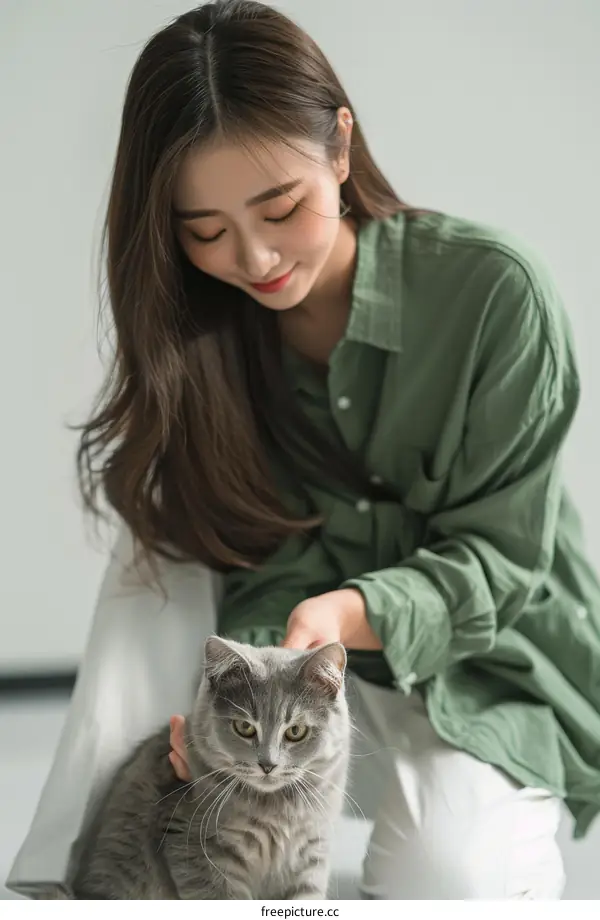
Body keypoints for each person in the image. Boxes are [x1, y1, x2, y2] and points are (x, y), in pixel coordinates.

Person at [7, 0, 600, 901]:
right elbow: (245, 551)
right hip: (281, 687)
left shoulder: (493, 296)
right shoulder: (203, 340)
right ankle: (66, 883)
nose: (253, 258)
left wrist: (347, 614)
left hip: (482, 661)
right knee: (152, 539)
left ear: (340, 148)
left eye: (280, 207)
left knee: (452, 884)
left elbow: (503, 557)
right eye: (203, 231)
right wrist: (242, 681)